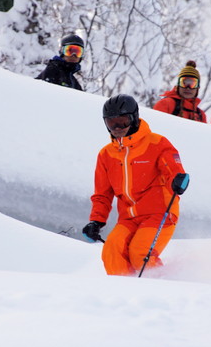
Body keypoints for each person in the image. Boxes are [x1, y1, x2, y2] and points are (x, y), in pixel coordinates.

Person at [81, 94, 189, 276]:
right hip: (128, 217)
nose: (117, 128)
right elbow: (102, 193)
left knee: (140, 252)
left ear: (134, 118)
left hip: (159, 213)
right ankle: (127, 294)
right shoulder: (106, 155)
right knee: (112, 251)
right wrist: (96, 221)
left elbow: (173, 169)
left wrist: (178, 180)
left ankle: (163, 289)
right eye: (111, 123)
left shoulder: (156, 143)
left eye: (122, 122)